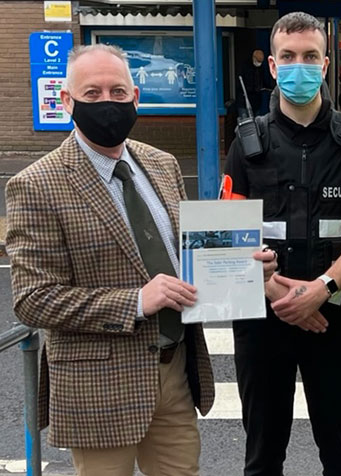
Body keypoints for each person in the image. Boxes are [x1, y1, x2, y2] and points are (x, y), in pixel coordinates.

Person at [4, 44, 277, 476]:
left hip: (175, 372)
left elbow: (187, 257)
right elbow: (34, 299)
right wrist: (134, 302)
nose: (107, 103)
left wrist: (243, 268)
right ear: (67, 101)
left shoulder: (162, 164)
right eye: (92, 94)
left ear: (135, 97)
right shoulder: (36, 184)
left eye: (117, 91)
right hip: (99, 389)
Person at [223, 12, 341, 476]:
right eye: (289, 57)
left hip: (331, 319)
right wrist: (286, 296)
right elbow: (226, 240)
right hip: (262, 320)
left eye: (310, 56)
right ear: (273, 67)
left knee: (340, 456)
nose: (300, 65)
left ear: (325, 63)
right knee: (261, 457)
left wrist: (322, 288)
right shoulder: (245, 142)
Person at [238, 48, 274, 117]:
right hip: (244, 99)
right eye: (258, 61)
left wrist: (267, 88)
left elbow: (263, 80)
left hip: (256, 100)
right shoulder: (245, 67)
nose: (259, 64)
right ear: (253, 58)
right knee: (245, 120)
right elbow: (241, 82)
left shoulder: (261, 68)